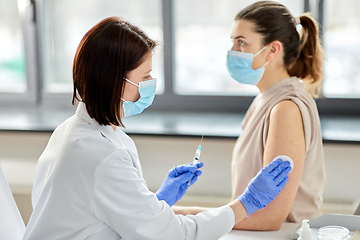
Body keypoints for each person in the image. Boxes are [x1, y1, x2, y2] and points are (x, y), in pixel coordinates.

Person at [23, 17, 291, 240]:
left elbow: (95, 210)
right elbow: (174, 235)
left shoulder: (74, 131)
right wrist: (247, 203)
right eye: (145, 76)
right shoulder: (100, 154)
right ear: (115, 82)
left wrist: (158, 200)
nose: (152, 83)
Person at [227, 1, 326, 230]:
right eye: (232, 41)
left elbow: (269, 217)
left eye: (241, 42)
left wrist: (187, 215)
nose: (233, 51)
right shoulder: (265, 99)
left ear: (273, 50)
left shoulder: (286, 109)